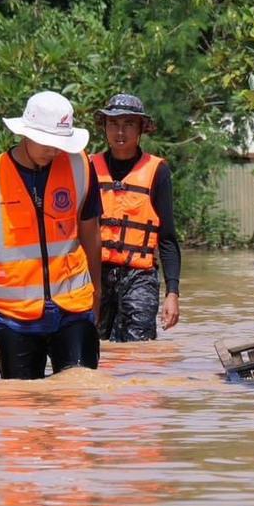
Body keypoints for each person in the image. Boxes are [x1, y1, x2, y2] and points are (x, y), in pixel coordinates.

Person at [0, 90, 103, 379]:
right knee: (20, 411)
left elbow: (91, 236)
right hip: (15, 319)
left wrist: (97, 296)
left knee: (80, 403)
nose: (54, 151)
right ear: (25, 134)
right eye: (47, 143)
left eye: (59, 144)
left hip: (74, 311)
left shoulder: (80, 167)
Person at [91, 93, 181, 341]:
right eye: (113, 124)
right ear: (105, 128)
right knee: (92, 349)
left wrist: (172, 293)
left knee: (138, 351)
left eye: (128, 124)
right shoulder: (88, 168)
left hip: (139, 278)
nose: (120, 132)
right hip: (95, 274)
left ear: (141, 128)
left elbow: (168, 238)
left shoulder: (157, 171)